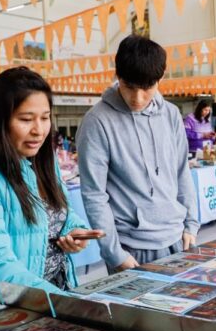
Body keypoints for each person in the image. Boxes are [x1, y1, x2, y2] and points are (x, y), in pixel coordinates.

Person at [0, 66, 99, 294]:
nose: (39, 130)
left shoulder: (44, 160)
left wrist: (74, 230)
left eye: (45, 118)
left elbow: (58, 210)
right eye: (26, 119)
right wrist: (69, 304)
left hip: (53, 296)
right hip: (7, 306)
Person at [77, 35, 199, 273]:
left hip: (177, 239)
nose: (138, 98)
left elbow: (181, 171)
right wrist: (114, 254)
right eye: (129, 87)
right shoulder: (97, 121)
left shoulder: (171, 114)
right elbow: (94, 194)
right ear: (118, 75)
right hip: (131, 247)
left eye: (147, 88)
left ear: (161, 78)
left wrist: (191, 225)